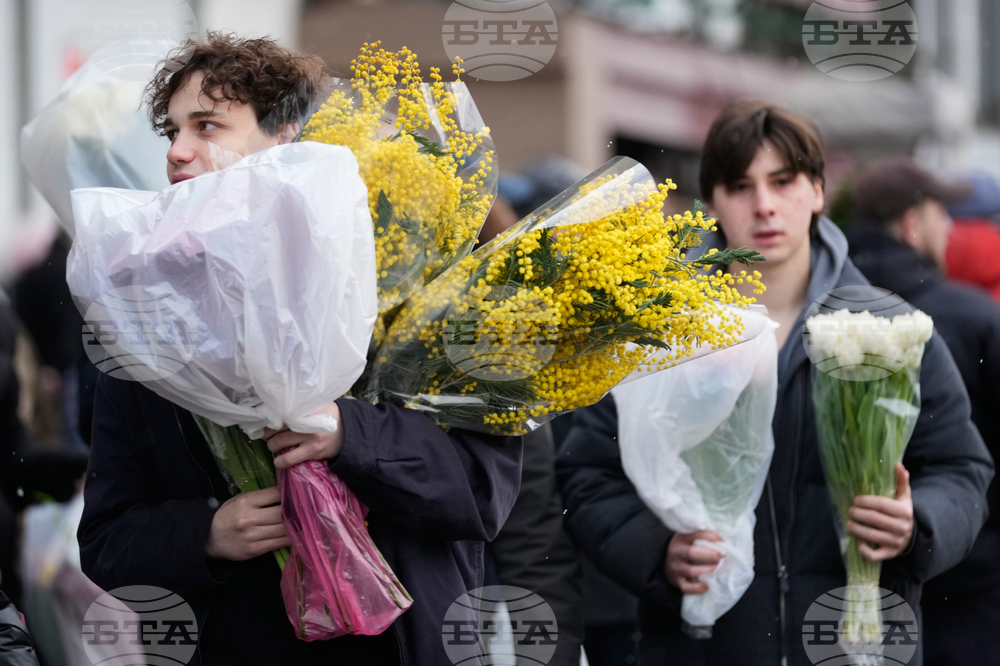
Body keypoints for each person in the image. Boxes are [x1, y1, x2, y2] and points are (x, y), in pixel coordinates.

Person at [77, 33, 522, 665]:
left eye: (207, 126)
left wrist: (351, 436)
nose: (177, 152)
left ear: (285, 135)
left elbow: (482, 492)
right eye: (171, 132)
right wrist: (205, 534)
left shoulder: (416, 285)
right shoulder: (140, 313)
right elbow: (106, 538)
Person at [556, 100, 994, 666]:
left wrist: (918, 523)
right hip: (704, 647)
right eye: (740, 186)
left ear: (817, 190)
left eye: (783, 181)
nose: (764, 205)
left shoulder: (889, 330)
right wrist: (656, 550)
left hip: (856, 645)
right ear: (711, 201)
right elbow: (586, 470)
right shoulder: (661, 331)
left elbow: (963, 469)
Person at [846, 160, 1000, 666]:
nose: (951, 226)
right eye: (940, 213)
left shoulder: (823, 315)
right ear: (913, 224)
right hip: (971, 582)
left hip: (850, 588)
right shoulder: (974, 315)